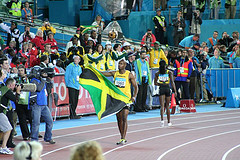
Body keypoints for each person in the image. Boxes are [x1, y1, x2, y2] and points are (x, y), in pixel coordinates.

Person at [102, 59, 138, 145]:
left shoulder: (129, 75)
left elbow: (136, 87)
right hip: (116, 99)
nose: (119, 65)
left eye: (121, 64)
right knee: (119, 118)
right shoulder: (115, 73)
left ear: (125, 65)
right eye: (119, 64)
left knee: (124, 117)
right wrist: (93, 70)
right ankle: (121, 136)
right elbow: (103, 74)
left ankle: (123, 138)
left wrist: (134, 96)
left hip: (126, 99)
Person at [29, 66, 55, 144]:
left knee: (50, 121)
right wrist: (44, 80)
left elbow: (49, 88)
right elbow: (39, 88)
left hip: (44, 104)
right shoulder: (33, 81)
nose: (43, 74)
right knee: (36, 123)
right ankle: (34, 139)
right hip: (36, 104)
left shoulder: (42, 80)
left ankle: (48, 137)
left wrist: (50, 81)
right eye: (41, 72)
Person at [0, 72, 21, 154]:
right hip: (0, 111)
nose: (5, 75)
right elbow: (16, 100)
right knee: (8, 128)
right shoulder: (4, 89)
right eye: (3, 74)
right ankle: (4, 147)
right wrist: (18, 92)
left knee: (2, 130)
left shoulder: (2, 87)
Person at [154, 60, 177, 127]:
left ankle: (162, 121)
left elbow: (155, 83)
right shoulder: (169, 72)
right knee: (167, 106)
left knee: (162, 106)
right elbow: (172, 82)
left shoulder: (157, 73)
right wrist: (175, 91)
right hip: (167, 88)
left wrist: (160, 84)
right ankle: (169, 122)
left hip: (161, 89)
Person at [15, 65, 32, 140]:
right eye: (19, 70)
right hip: (19, 102)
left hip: (27, 102)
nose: (20, 72)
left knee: (32, 119)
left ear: (25, 71)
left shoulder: (28, 79)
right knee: (22, 120)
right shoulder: (16, 79)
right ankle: (25, 135)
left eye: (22, 70)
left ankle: (33, 133)